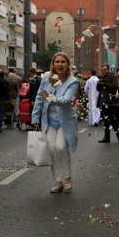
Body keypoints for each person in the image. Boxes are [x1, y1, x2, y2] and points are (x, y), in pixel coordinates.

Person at [31, 51, 79, 194]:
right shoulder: (46, 77)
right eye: (57, 62)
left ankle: (68, 178)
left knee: (60, 146)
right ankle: (58, 181)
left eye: (63, 62)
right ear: (53, 64)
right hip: (49, 120)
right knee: (52, 150)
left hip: (65, 121)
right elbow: (40, 97)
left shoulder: (73, 81)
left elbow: (66, 100)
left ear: (67, 65)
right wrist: (34, 117)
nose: (60, 64)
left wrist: (52, 98)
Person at [96, 64, 119, 143]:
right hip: (102, 101)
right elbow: (98, 89)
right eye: (102, 70)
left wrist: (105, 84)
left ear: (108, 70)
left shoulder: (113, 77)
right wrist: (99, 84)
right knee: (105, 120)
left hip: (110, 101)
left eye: (105, 69)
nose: (103, 71)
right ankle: (107, 137)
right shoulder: (101, 78)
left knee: (112, 119)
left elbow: (114, 87)